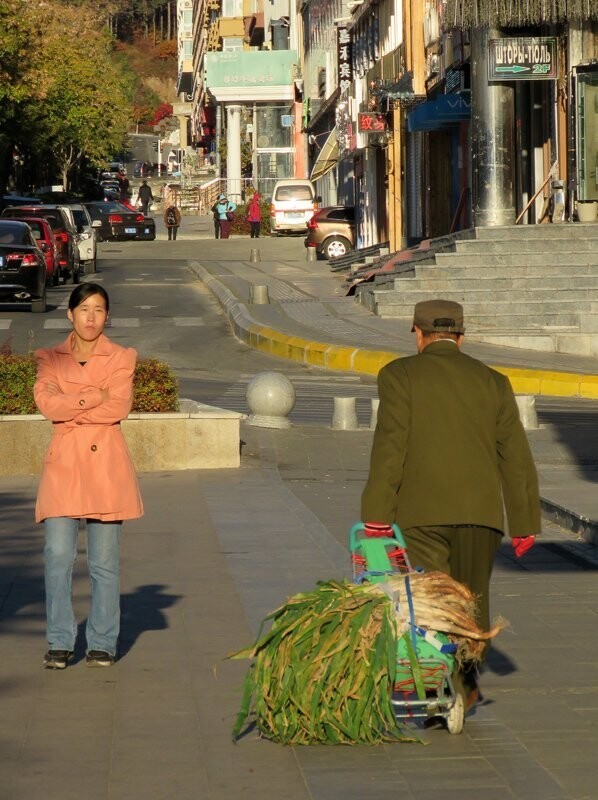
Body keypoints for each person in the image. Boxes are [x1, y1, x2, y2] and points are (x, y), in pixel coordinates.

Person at [361, 299, 540, 707]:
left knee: (434, 601)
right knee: (472, 598)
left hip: (420, 513)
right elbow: (514, 455)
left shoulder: (398, 375)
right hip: (481, 516)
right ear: (461, 336)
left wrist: (376, 515)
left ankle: (436, 686)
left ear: (417, 333)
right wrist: (525, 522)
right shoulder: (493, 381)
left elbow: (391, 446)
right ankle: (467, 683)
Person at [34, 283, 144, 670]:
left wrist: (73, 406)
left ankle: (102, 641)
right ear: (70, 314)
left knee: (103, 561)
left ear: (107, 316)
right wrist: (93, 396)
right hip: (64, 465)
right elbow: (47, 403)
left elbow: (119, 407)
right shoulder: (50, 357)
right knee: (58, 556)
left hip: (105, 466)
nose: (91, 317)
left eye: (98, 309)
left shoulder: (121, 357)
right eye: (83, 309)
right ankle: (61, 640)